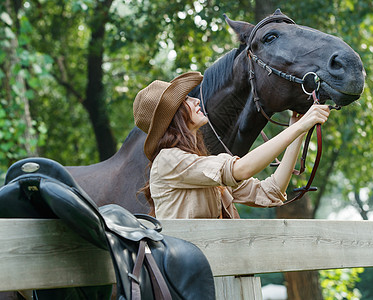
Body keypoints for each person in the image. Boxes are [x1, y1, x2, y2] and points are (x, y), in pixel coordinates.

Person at [133, 71, 330, 219]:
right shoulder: (168, 160)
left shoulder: (198, 165)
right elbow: (241, 170)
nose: (195, 100)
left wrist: (297, 130)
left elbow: (271, 192)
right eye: (185, 99)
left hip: (218, 269)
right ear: (173, 116)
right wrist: (299, 127)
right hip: (189, 272)